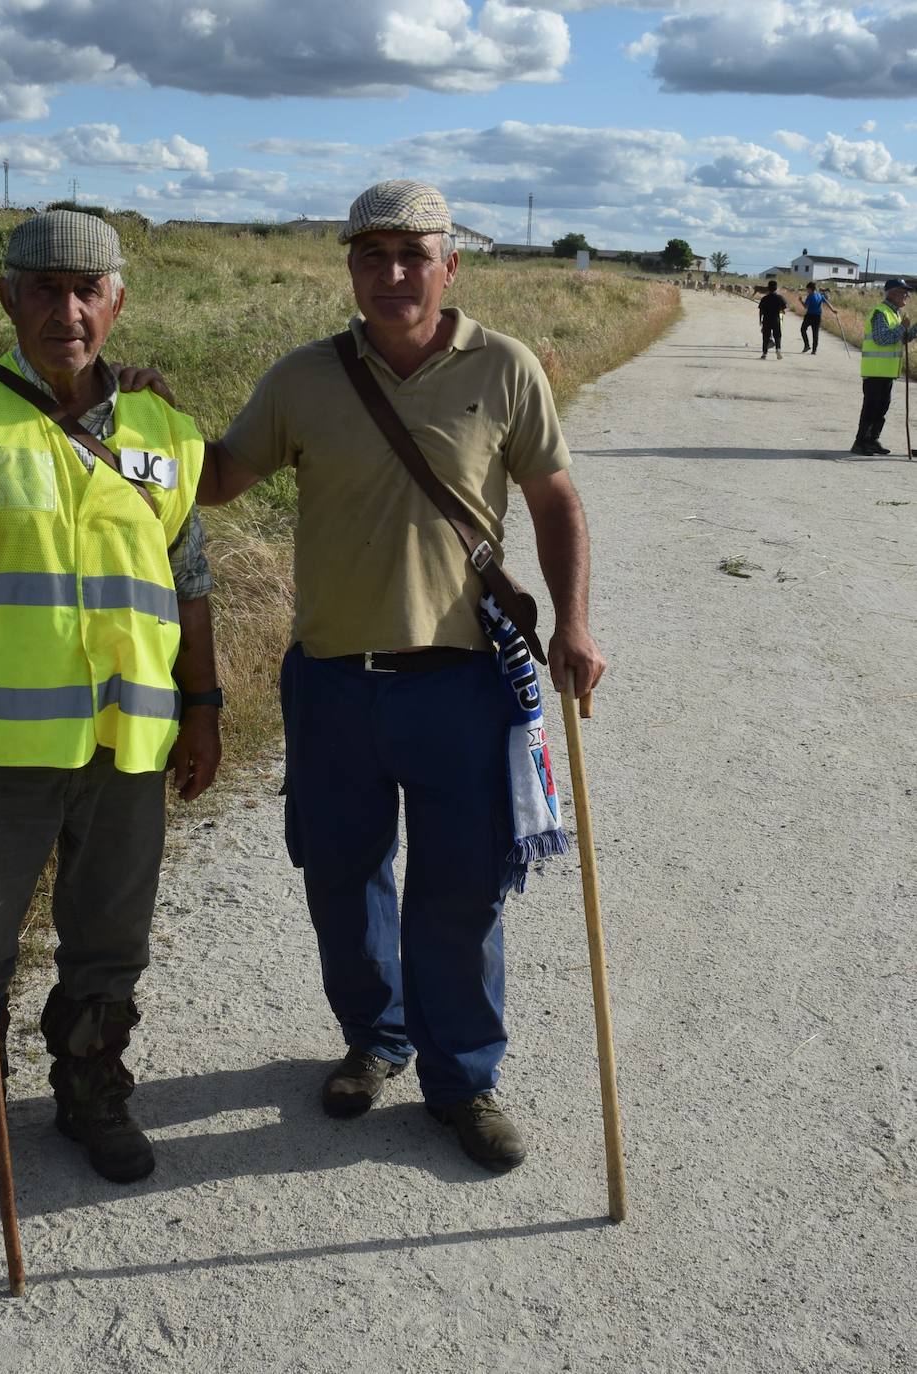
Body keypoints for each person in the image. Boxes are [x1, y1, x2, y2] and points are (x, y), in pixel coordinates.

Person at [195, 181, 605, 1172]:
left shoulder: (504, 370)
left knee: (460, 889)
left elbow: (553, 501)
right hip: (332, 682)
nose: (391, 274)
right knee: (340, 876)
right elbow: (213, 478)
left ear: (449, 264)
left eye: (411, 254)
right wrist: (130, 424)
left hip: (459, 682)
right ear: (347, 267)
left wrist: (575, 623)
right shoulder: (302, 378)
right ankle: (372, 1041)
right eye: (370, 255)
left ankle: (462, 1079)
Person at [0, 211, 223, 1211]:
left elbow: (188, 579)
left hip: (127, 746)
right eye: (44, 288)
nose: (67, 309)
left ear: (116, 302)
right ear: (7, 297)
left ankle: (91, 1096)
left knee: (110, 941)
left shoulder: (162, 427)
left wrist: (203, 708)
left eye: (86, 290)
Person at [852, 278, 917, 456]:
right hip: (875, 370)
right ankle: (861, 442)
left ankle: (872, 440)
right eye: (904, 292)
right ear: (893, 293)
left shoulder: (894, 313)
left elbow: (900, 339)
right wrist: (902, 328)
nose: (907, 295)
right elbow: (883, 339)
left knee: (882, 407)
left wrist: (912, 330)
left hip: (886, 371)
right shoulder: (880, 312)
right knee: (871, 407)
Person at [757, 279, 788, 359]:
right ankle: (778, 349)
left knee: (765, 337)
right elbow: (784, 309)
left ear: (768, 288)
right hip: (776, 319)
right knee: (777, 336)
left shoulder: (764, 298)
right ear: (776, 288)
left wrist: (760, 320)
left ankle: (764, 353)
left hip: (766, 320)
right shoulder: (780, 298)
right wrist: (782, 311)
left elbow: (761, 311)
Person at [798, 283, 826, 354]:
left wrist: (801, 301)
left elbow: (806, 307)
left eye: (807, 289)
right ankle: (814, 350)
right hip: (817, 316)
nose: (807, 290)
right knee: (815, 333)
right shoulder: (820, 295)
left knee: (803, 329)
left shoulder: (810, 296)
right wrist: (833, 310)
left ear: (810, 289)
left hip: (809, 316)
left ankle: (807, 345)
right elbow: (827, 302)